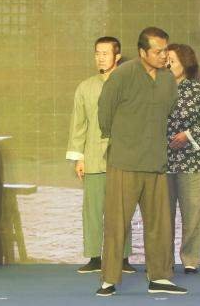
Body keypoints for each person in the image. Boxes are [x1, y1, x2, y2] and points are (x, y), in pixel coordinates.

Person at [96, 27, 185, 297]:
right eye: (158, 51)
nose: (164, 56)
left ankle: (160, 277)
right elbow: (105, 113)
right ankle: (109, 280)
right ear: (142, 52)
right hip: (124, 161)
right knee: (116, 224)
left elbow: (169, 110)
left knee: (160, 224)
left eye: (165, 50)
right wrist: (124, 139)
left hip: (156, 161)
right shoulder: (123, 75)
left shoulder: (168, 79)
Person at [66, 36, 136, 275]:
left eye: (105, 53)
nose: (100, 58)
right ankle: (95, 257)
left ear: (117, 56)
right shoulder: (85, 87)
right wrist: (79, 158)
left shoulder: (129, 85)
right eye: (97, 53)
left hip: (122, 158)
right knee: (93, 210)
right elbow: (79, 125)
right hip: (93, 157)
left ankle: (123, 257)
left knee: (122, 210)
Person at [164, 43, 200, 274]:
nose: (167, 64)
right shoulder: (156, 88)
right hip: (162, 162)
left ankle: (191, 259)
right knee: (163, 215)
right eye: (165, 60)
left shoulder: (199, 91)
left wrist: (188, 135)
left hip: (192, 162)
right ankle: (163, 260)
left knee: (192, 214)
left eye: (172, 60)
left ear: (185, 64)